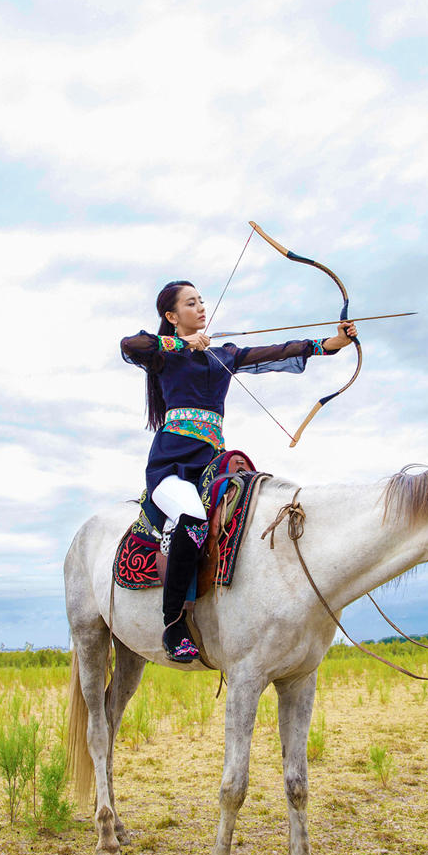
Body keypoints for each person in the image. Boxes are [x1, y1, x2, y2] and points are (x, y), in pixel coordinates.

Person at [121, 280, 358, 663]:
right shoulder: (165, 355)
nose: (201, 308)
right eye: (191, 303)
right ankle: (173, 623)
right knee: (192, 517)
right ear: (171, 316)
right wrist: (182, 344)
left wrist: (332, 344)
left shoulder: (224, 356)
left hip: (213, 463)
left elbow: (278, 350)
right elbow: (131, 346)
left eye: (202, 302)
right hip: (172, 466)